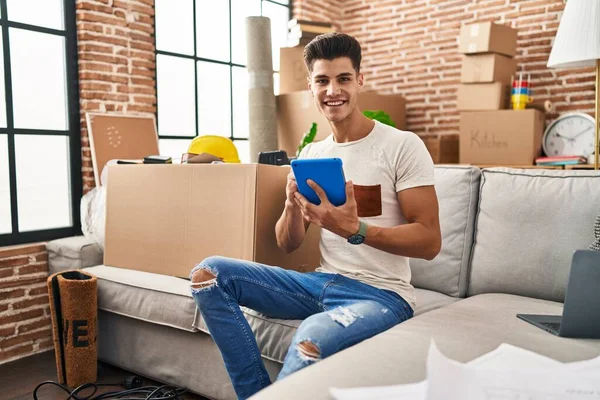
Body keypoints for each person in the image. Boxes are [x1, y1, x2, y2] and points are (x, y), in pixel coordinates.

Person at [189, 32, 441, 400]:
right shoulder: (311, 153)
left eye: (343, 79)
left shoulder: (401, 146)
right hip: (320, 284)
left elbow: (430, 241)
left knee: (310, 341)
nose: (332, 90)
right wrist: (292, 204)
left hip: (383, 296)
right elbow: (287, 243)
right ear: (310, 86)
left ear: (360, 81)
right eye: (322, 80)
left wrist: (356, 230)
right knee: (207, 276)